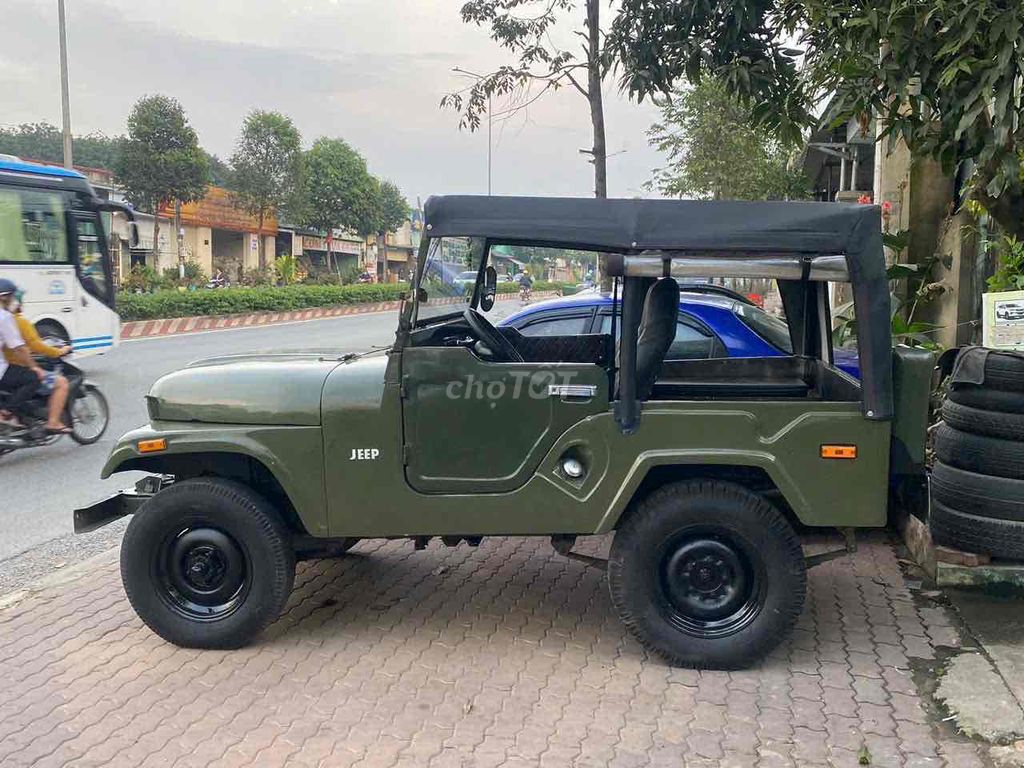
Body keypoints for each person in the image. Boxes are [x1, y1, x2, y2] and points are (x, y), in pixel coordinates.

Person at [0, 279, 70, 433]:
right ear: (7, 297)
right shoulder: (11, 319)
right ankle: (51, 422)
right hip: (7, 369)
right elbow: (26, 347)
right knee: (47, 379)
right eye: (14, 297)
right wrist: (58, 352)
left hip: (9, 367)